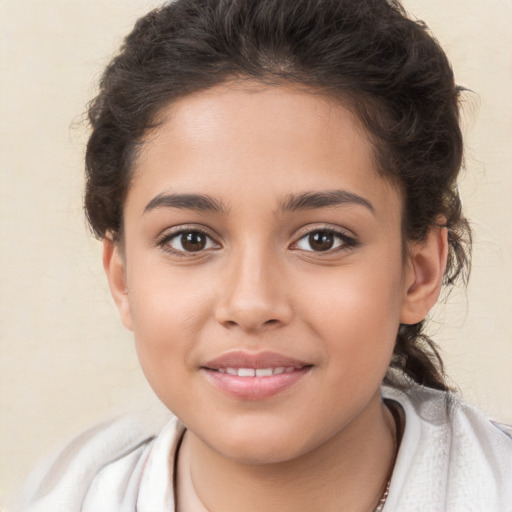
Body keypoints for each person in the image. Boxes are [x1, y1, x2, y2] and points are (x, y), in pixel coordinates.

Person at [16, 0, 512, 510]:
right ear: (122, 280)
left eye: (322, 239)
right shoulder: (61, 495)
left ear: (418, 273)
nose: (251, 304)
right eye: (191, 239)